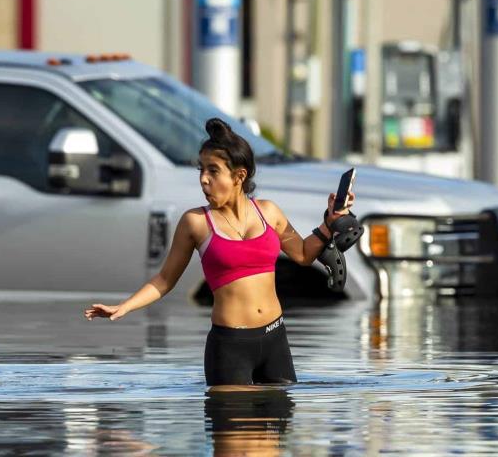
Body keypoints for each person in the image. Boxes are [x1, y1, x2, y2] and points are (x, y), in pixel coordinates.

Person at [84, 117, 355, 386]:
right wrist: (124, 307)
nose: (203, 179)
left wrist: (329, 222)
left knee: (277, 426)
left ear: (239, 175)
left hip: (275, 340)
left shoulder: (268, 212)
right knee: (234, 425)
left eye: (213, 171)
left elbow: (304, 254)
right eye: (201, 170)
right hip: (230, 347)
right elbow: (165, 279)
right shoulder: (196, 222)